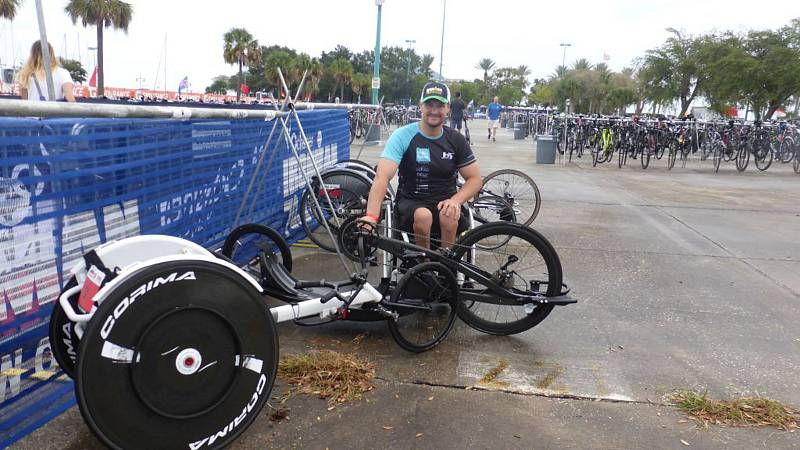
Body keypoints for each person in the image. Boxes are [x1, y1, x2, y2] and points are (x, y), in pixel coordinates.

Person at [359, 81, 482, 251]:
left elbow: (474, 179)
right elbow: (382, 177)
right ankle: (423, 263)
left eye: (439, 105)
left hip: (446, 199)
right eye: (429, 104)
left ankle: (448, 265)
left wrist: (456, 200)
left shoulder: (455, 139)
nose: (434, 110)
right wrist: (371, 216)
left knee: (449, 214)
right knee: (423, 216)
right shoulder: (402, 135)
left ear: (448, 109)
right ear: (420, 107)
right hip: (411, 200)